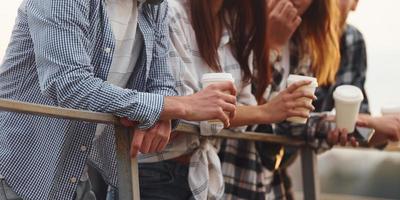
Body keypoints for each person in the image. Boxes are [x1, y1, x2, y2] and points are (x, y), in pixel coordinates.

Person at [0, 0, 238, 199]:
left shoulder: (155, 6)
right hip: (16, 168)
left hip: (74, 174)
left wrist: (163, 114)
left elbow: (162, 83)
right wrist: (178, 107)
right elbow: (68, 83)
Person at [138, 0, 319, 199]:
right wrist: (266, 112)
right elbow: (181, 109)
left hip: (205, 171)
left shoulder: (234, 23)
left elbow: (243, 105)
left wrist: (257, 112)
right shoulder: (172, 12)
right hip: (157, 170)